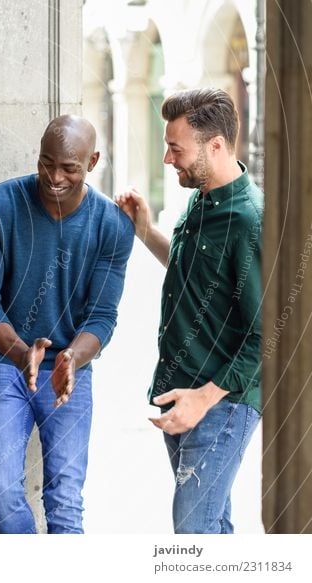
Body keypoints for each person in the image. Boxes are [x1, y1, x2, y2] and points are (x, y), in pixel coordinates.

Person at [0, 115, 135, 534]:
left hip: (70, 372)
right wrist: (24, 353)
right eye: (46, 163)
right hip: (7, 364)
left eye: (69, 168)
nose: (54, 176)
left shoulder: (112, 225)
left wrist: (70, 360)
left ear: (93, 161)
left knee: (64, 499)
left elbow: (102, 316)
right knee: (0, 487)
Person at [115, 88, 262, 534]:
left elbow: (268, 335)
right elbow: (191, 271)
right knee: (212, 527)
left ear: (215, 146)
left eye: (176, 149)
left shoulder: (251, 221)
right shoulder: (202, 197)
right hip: (182, 394)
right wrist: (145, 232)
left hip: (221, 402)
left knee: (192, 534)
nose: (167, 159)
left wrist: (203, 399)